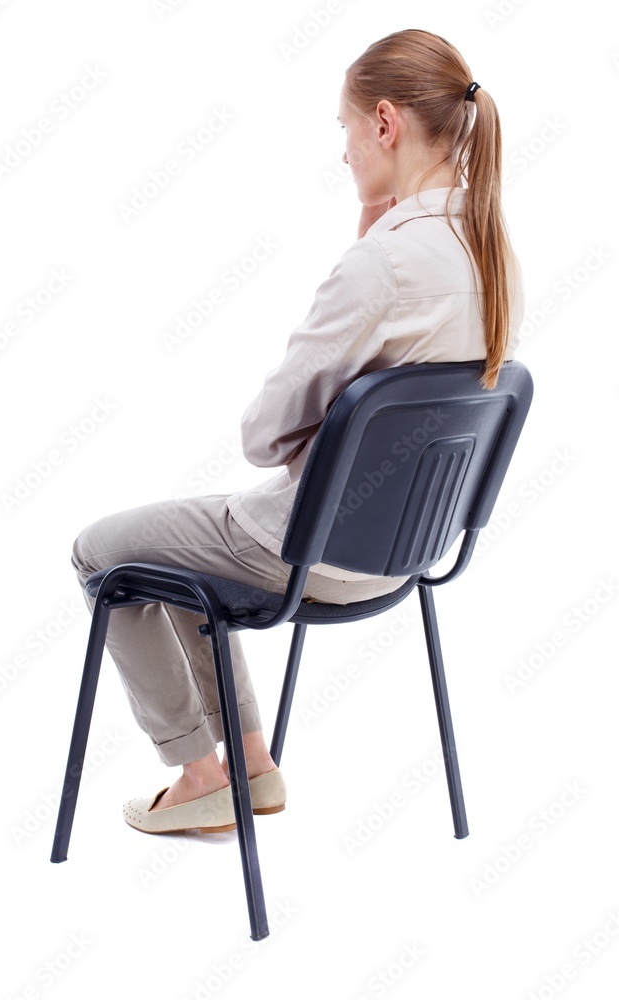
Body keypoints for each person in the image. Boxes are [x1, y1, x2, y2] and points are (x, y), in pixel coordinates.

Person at [72, 28, 524, 835]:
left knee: (103, 552)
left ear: (384, 123)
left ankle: (199, 772)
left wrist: (360, 261)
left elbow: (263, 437)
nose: (346, 152)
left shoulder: (386, 263)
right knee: (173, 553)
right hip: (411, 558)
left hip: (311, 553)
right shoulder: (493, 253)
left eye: (346, 129)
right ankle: (250, 765)